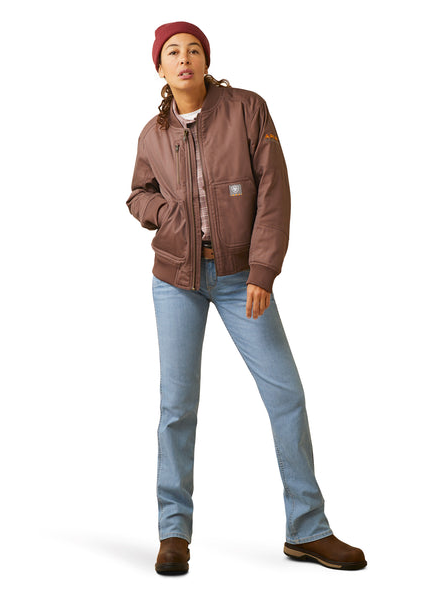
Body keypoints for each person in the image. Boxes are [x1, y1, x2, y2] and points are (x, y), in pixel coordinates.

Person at [127, 21, 366, 575]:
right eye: (172, 52)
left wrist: (263, 270)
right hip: (176, 280)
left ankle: (307, 530)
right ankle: (173, 533)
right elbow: (138, 193)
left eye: (193, 50)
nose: (184, 58)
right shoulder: (152, 133)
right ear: (159, 68)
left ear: (206, 60)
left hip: (241, 279)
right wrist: (165, 213)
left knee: (286, 395)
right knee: (176, 407)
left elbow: (273, 189)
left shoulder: (247, 109)